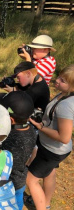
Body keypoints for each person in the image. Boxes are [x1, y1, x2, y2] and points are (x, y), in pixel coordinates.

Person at [26, 64, 74, 210]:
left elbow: (64, 137)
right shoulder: (64, 95)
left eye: (63, 81)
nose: (57, 81)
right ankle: (45, 203)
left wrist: (41, 127)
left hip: (52, 150)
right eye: (59, 76)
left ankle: (41, 207)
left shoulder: (66, 105)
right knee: (49, 173)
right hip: (51, 147)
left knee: (30, 180)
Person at [0, 91, 37, 209]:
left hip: (5, 184)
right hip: (21, 180)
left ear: (11, 120)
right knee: (17, 203)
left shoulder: (9, 138)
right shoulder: (31, 129)